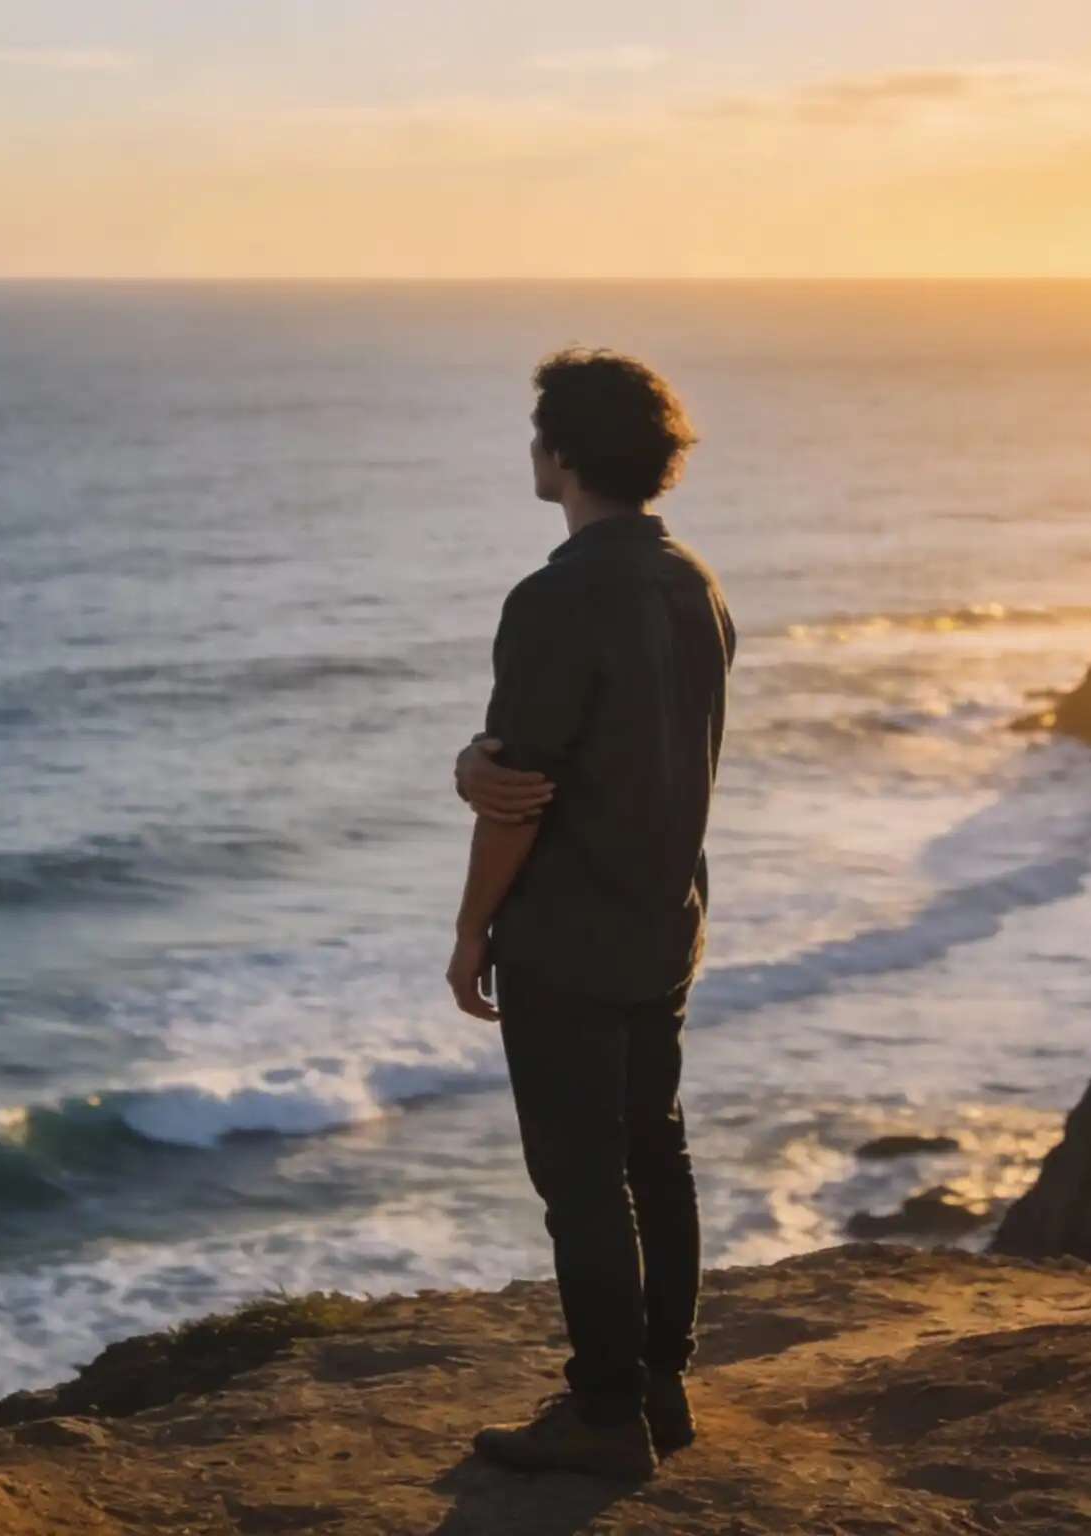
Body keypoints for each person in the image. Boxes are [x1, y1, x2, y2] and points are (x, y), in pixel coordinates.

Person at [446, 348, 733, 1481]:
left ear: (562, 454)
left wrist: (472, 929)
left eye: (538, 436)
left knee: (581, 1177)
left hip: (567, 931)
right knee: (655, 1150)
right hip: (666, 914)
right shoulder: (693, 582)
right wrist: (481, 762)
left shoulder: (557, 597)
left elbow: (516, 795)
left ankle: (605, 1413)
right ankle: (660, 1385)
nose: (532, 451)